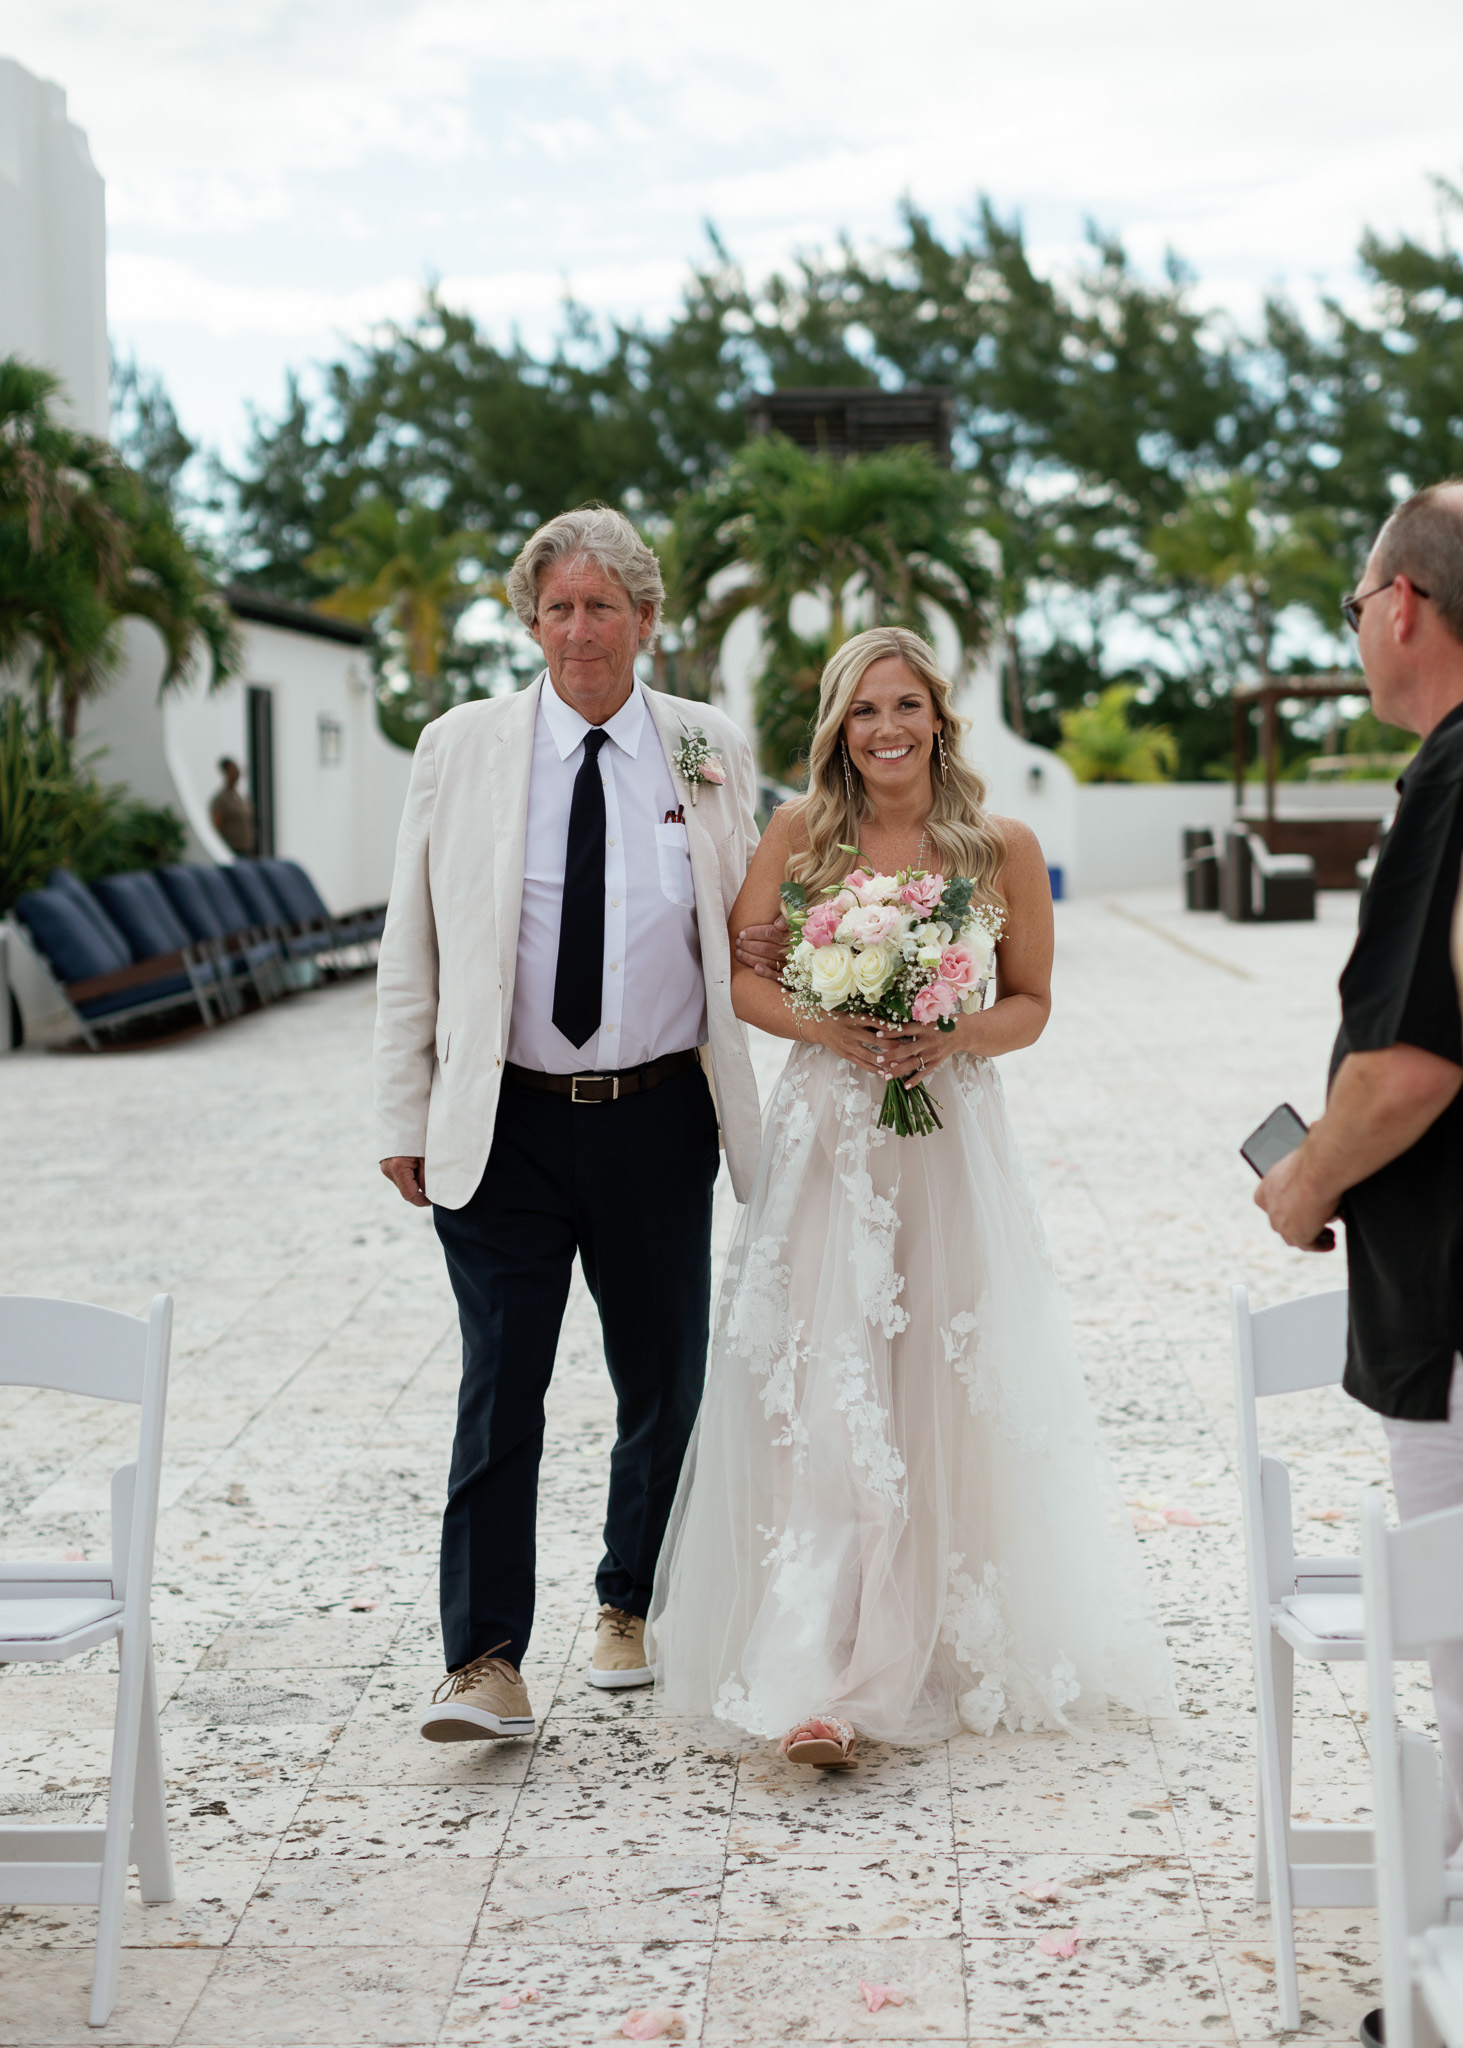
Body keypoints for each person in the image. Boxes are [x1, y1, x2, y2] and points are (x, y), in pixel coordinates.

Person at [649, 625, 1173, 1765]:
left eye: (904, 706)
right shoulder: (801, 834)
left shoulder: (999, 847)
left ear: (938, 714)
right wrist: (820, 1018)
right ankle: (822, 1671)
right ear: (838, 727)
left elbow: (1030, 1001)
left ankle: (924, 1633)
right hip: (829, 1138)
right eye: (862, 711)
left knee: (939, 1375)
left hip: (945, 1137)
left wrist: (951, 1032)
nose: (885, 730)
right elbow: (741, 974)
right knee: (828, 1378)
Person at [373, 506, 784, 1743]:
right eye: (557, 607)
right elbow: (415, 943)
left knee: (664, 1373)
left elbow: (751, 914)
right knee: (502, 1384)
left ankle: (629, 1600)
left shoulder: (706, 748)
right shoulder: (460, 746)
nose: (579, 630)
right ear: (530, 620)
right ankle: (484, 1657)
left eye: (603, 606)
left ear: (647, 621)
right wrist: (404, 1107)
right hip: (504, 1121)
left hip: (659, 1113)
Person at [1256, 483, 1463, 1882]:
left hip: (1450, 1292)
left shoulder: (1450, 776)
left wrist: (1300, 1183)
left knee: (1459, 1636)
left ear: (1400, 603)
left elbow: (1407, 1065)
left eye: (1353, 604)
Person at [210, 757, 255, 855]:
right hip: (232, 850)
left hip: (246, 849)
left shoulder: (240, 798)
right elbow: (216, 824)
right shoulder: (222, 799)